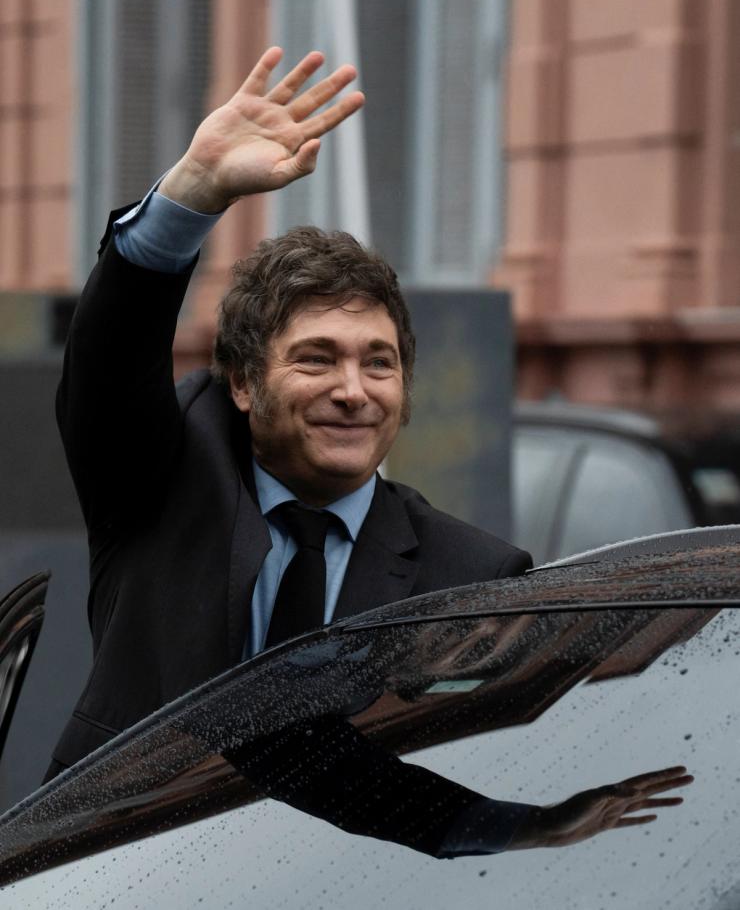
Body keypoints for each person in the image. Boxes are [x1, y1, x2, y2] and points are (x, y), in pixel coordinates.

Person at [47, 48, 691, 855]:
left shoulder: (475, 576)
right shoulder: (164, 479)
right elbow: (107, 365)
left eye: (378, 362)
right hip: (107, 880)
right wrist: (190, 196)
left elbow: (507, 757)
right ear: (244, 383)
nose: (354, 389)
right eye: (317, 358)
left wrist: (526, 829)